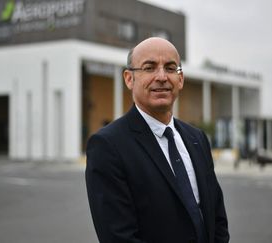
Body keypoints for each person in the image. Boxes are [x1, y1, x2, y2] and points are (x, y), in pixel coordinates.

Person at [85, 37, 229, 243]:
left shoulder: (197, 138)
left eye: (170, 68)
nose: (161, 77)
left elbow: (217, 217)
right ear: (129, 79)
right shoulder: (108, 146)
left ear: (180, 79)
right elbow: (118, 237)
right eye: (149, 68)